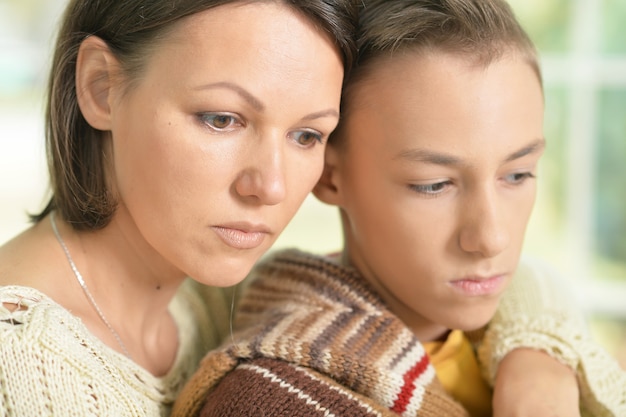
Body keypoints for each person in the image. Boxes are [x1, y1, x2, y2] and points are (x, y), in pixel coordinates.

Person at [172, 0, 626, 416]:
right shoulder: (268, 398)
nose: (492, 237)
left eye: (517, 174)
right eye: (433, 185)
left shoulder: (537, 335)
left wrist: (539, 359)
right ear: (329, 176)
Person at [0, 0, 358, 415]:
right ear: (101, 87)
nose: (271, 187)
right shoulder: (15, 368)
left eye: (307, 136)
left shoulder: (242, 309)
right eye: (222, 119)